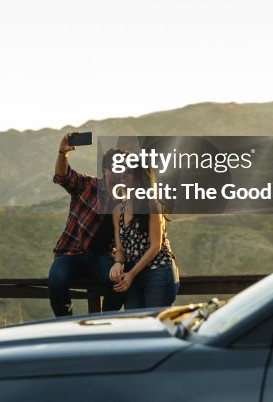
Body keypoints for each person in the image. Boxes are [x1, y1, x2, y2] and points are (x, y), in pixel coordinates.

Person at [47, 132, 124, 316]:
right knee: (57, 279)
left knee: (119, 283)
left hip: (101, 256)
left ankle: (103, 323)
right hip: (72, 252)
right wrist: (62, 153)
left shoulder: (125, 202)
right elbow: (63, 176)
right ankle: (65, 324)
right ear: (106, 171)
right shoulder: (88, 185)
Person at [109, 161, 180, 309]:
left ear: (140, 177)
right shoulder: (117, 210)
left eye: (129, 172)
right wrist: (118, 263)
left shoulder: (152, 204)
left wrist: (132, 274)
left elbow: (156, 246)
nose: (123, 175)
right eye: (123, 171)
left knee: (157, 323)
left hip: (158, 270)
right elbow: (120, 249)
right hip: (132, 275)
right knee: (134, 322)